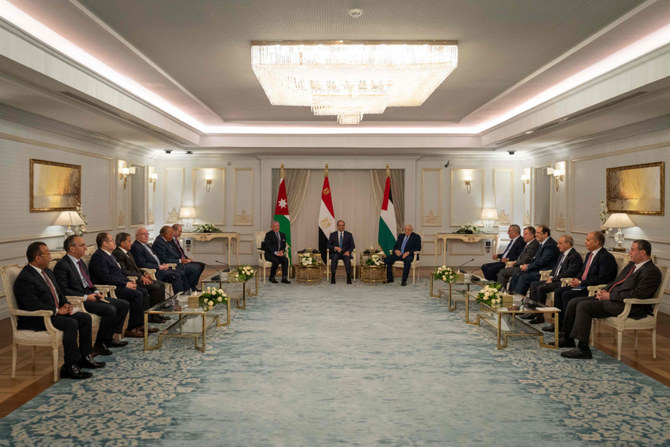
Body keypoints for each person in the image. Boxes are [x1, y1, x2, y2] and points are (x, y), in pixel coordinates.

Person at [15, 242, 104, 379]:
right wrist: (56, 310)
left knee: (84, 318)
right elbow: (32, 304)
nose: (50, 257)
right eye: (48, 254)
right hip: (36, 318)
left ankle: (85, 357)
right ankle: (69, 366)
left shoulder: (48, 272)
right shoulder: (25, 278)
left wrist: (67, 305)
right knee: (71, 324)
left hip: (53, 312)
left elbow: (59, 294)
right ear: (38, 258)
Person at [560, 240, 662, 359]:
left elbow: (639, 294)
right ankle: (568, 338)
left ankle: (583, 348)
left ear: (643, 252)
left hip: (628, 306)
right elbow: (616, 282)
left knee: (583, 306)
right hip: (613, 299)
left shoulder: (651, 271)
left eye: (633, 249)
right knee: (574, 302)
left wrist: (610, 296)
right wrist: (603, 291)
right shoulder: (631, 265)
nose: (629, 252)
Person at [53, 235, 129, 353]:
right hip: (79, 300)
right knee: (110, 310)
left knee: (123, 304)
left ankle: (107, 339)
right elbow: (63, 290)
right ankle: (99, 344)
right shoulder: (62, 265)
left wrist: (96, 291)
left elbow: (89, 282)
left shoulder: (81, 262)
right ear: (72, 248)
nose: (86, 247)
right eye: (82, 245)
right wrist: (85, 297)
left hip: (91, 295)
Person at [542, 231, 618, 333]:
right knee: (559, 291)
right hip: (582, 285)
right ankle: (559, 323)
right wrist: (576, 280)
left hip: (591, 289)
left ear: (597, 242)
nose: (585, 242)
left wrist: (581, 283)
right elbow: (582, 272)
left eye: (588, 240)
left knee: (566, 294)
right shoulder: (589, 255)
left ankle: (567, 327)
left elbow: (602, 279)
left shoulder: (606, 257)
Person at [88, 233, 157, 338]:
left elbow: (120, 273)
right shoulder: (98, 257)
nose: (114, 242)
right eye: (111, 240)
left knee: (143, 292)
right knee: (137, 294)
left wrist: (129, 282)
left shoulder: (110, 255)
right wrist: (125, 284)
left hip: (119, 284)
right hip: (109, 288)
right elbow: (105, 278)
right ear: (105, 243)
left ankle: (141, 324)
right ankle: (131, 328)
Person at [522, 234, 583, 324]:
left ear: (568, 244)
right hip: (555, 279)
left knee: (541, 288)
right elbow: (556, 268)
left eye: (560, 243)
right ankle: (533, 312)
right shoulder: (562, 254)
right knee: (534, 284)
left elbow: (570, 272)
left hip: (562, 282)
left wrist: (554, 279)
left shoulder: (574, 256)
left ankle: (540, 316)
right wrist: (550, 276)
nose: (557, 245)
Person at [113, 232, 167, 309]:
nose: (131, 243)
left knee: (161, 284)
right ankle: (152, 315)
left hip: (139, 277)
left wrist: (144, 273)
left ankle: (160, 311)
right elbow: (124, 271)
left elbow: (135, 267)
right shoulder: (118, 253)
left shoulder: (128, 252)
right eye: (129, 241)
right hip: (133, 280)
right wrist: (140, 277)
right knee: (156, 288)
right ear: (122, 243)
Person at [131, 227, 188, 293]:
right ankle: (179, 297)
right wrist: (159, 267)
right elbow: (141, 263)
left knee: (181, 272)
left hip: (160, 268)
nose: (146, 236)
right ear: (136, 236)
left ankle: (186, 294)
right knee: (176, 275)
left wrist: (162, 264)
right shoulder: (136, 247)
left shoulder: (145, 245)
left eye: (147, 234)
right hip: (154, 272)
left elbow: (155, 258)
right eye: (143, 234)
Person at [509, 225, 559, 295]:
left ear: (545, 234)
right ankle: (511, 296)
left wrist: (528, 267)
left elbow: (542, 262)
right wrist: (528, 265)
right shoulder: (543, 243)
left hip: (543, 271)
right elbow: (535, 258)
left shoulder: (550, 245)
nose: (536, 235)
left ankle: (518, 299)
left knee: (524, 277)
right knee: (517, 272)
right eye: (536, 233)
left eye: (538, 233)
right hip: (537, 268)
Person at [152, 226, 202, 292]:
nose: (172, 235)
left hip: (177, 262)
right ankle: (189, 289)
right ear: (165, 234)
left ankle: (190, 288)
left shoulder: (166, 240)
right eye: (170, 234)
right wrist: (180, 261)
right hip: (171, 266)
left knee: (199, 265)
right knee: (195, 269)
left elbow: (176, 253)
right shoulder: (159, 242)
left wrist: (184, 259)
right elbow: (164, 259)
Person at [327, 220, 355, 284]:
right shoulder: (332, 234)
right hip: (336, 253)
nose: (341, 227)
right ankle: (333, 276)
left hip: (345, 253)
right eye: (339, 225)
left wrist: (348, 251)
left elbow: (352, 245)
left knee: (347, 259)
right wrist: (335, 248)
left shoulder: (349, 235)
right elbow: (328, 245)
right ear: (337, 226)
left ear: (344, 226)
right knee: (334, 258)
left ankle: (348, 277)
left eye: (342, 225)